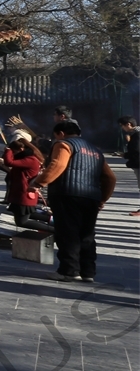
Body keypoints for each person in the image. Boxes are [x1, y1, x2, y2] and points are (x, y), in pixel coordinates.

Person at [35, 118, 116, 282]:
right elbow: (110, 177)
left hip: (67, 195)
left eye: (56, 135)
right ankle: (88, 272)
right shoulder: (95, 150)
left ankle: (69, 271)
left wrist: (38, 183)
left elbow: (57, 165)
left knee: (67, 233)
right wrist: (103, 199)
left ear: (61, 133)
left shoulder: (64, 144)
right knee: (87, 234)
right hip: (91, 197)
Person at [0, 130, 44, 227]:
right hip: (20, 194)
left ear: (21, 149)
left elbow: (9, 162)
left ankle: (52, 230)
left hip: (24, 194)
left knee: (22, 221)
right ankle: (51, 224)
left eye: (14, 151)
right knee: (23, 218)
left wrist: (8, 150)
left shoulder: (30, 159)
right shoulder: (27, 158)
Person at [119, 115, 139, 192]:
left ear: (128, 124)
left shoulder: (137, 134)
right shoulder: (135, 134)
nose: (122, 128)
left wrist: (125, 155)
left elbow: (136, 150)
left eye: (122, 125)